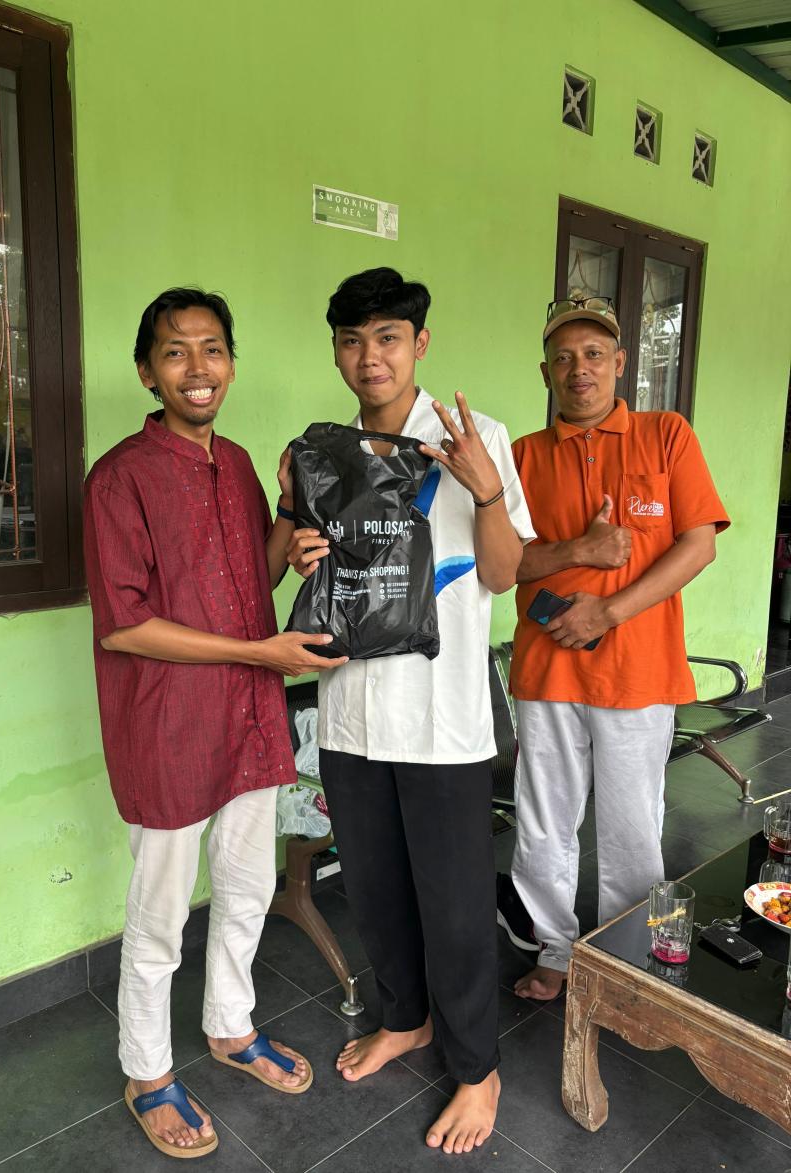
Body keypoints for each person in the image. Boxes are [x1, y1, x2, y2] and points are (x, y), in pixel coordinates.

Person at [83, 287, 346, 1160]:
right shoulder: (118, 477)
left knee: (246, 887)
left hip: (248, 716)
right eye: (175, 351)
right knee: (161, 911)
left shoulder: (233, 464)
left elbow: (250, 582)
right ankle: (147, 1069)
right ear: (147, 371)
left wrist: (290, 526)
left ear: (231, 363)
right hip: (167, 724)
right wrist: (259, 652)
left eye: (212, 349)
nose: (197, 368)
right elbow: (124, 624)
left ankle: (231, 1024)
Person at [286, 267, 536, 1155]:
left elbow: (504, 572)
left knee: (456, 904)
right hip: (350, 711)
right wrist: (300, 545)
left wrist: (487, 490)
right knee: (375, 887)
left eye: (388, 338)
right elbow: (308, 564)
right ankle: (406, 1018)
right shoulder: (325, 455)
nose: (371, 357)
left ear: (419, 344)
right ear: (337, 351)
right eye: (353, 340)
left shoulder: (477, 437)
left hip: (442, 718)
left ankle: (478, 1068)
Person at [505, 296, 729, 1001]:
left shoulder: (667, 436)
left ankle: (627, 957)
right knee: (544, 822)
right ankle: (555, 948)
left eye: (594, 354)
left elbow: (698, 544)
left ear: (621, 362)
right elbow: (503, 564)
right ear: (546, 370)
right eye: (564, 358)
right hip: (547, 668)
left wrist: (607, 611)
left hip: (638, 669)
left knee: (634, 824)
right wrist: (579, 550)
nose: (580, 369)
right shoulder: (522, 456)